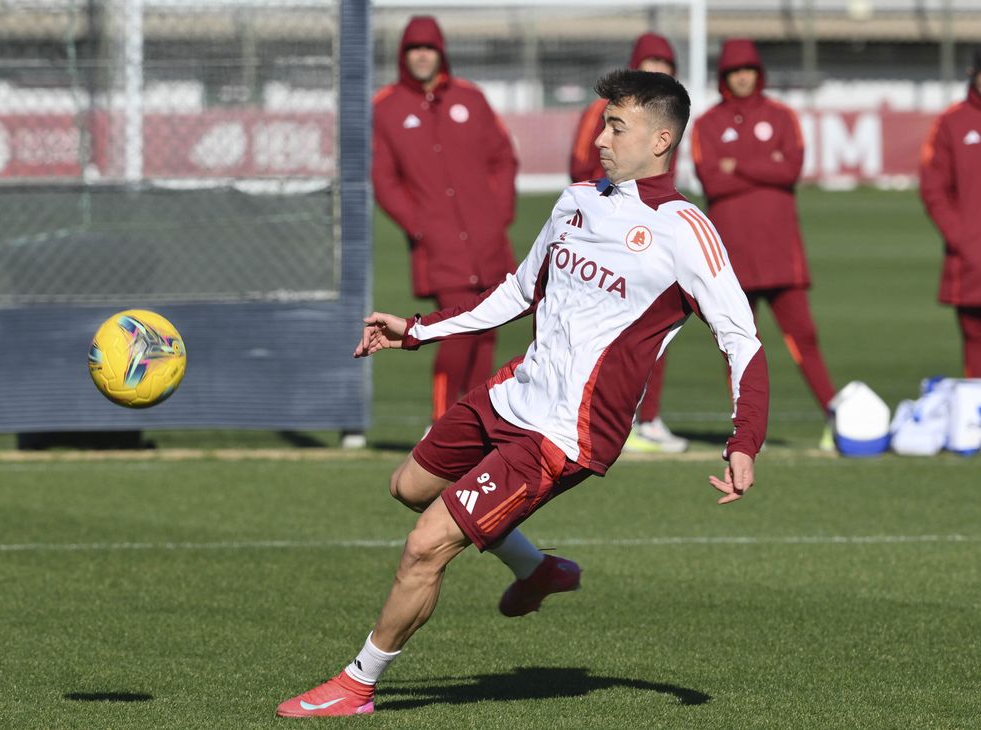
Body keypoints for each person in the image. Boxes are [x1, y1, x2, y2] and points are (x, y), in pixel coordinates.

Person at [276, 70, 769, 718]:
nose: (600, 138)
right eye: (602, 122)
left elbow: (742, 339)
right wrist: (416, 330)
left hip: (565, 434)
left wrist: (745, 442)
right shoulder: (573, 201)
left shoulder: (684, 229)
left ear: (661, 139)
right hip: (515, 392)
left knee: (427, 545)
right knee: (408, 487)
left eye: (616, 126)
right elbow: (517, 290)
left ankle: (358, 684)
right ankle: (537, 570)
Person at [372, 16, 519, 425]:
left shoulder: (471, 98)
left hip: (487, 240)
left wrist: (499, 213)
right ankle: (440, 426)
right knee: (454, 331)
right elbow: (383, 178)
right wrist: (419, 226)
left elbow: (503, 157)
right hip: (439, 245)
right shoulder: (386, 107)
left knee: (486, 333)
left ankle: (474, 426)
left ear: (441, 52)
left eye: (429, 48)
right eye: (413, 49)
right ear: (403, 55)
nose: (422, 55)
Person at [692, 38, 836, 450]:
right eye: (735, 70)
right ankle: (745, 430)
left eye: (749, 70)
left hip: (780, 253)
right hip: (731, 258)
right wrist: (763, 167)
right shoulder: (706, 124)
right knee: (737, 345)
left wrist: (738, 164)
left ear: (759, 73)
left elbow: (790, 169)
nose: (742, 77)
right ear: (724, 76)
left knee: (803, 337)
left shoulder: (782, 116)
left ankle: (835, 414)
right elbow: (711, 181)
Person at [568, 32, 688, 454]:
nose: (658, 69)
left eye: (664, 62)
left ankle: (648, 417)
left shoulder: (666, 117)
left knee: (659, 325)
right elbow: (581, 169)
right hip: (610, 238)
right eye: (649, 62)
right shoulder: (603, 116)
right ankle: (596, 412)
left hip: (653, 236)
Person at [920, 48, 981, 378]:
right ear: (973, 73)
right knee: (975, 343)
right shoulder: (951, 122)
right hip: (972, 260)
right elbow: (933, 187)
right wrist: (962, 238)